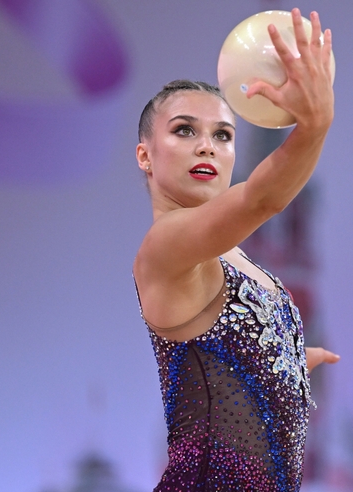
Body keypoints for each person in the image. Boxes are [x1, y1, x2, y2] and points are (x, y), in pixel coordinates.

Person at [132, 9, 339, 492]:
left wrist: (284, 363)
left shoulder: (237, 261)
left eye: (222, 135)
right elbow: (262, 200)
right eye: (184, 130)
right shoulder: (166, 245)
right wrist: (315, 124)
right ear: (145, 155)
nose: (207, 146)